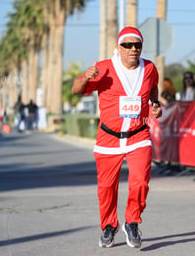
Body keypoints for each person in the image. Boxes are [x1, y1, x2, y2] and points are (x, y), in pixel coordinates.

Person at [71, 26, 162, 249]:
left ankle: (132, 222)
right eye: (127, 45)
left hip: (138, 136)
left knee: (140, 182)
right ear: (118, 48)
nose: (133, 49)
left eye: (137, 45)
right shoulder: (103, 68)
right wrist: (85, 78)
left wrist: (155, 105)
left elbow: (153, 88)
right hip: (108, 139)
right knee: (106, 188)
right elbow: (75, 89)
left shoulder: (149, 68)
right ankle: (109, 226)